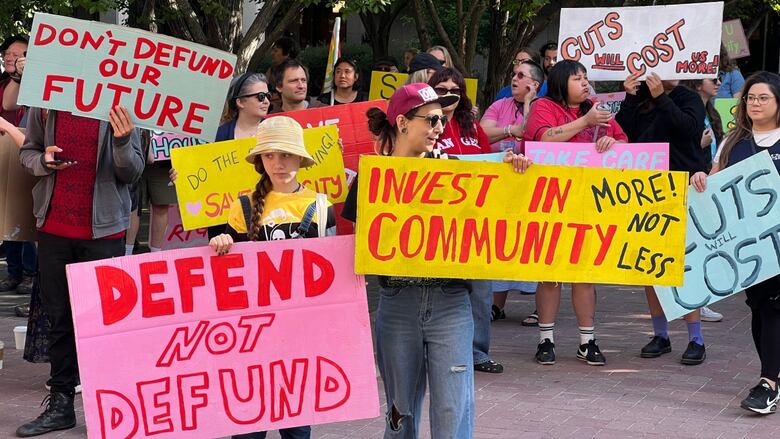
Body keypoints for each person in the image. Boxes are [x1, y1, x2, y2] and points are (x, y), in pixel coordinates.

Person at [342, 83, 531, 438]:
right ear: (401, 122)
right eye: (430, 120)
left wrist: (513, 175)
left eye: (441, 120)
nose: (439, 129)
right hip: (397, 305)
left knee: (453, 408)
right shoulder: (370, 179)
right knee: (401, 411)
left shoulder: (456, 171)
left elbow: (498, 218)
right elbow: (356, 247)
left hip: (450, 304)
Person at [16, 105, 143, 437]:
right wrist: (42, 160)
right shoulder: (46, 103)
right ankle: (60, 405)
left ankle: (110, 410)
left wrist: (122, 141)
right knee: (60, 319)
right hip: (54, 228)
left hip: (104, 234)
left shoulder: (125, 106)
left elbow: (132, 173)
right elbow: (27, 153)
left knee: (103, 324)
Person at [211, 116, 335, 439]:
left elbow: (333, 275)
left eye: (285, 154)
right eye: (269, 155)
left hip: (300, 337)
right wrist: (221, 243)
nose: (277, 163)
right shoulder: (242, 207)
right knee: (249, 429)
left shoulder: (322, 207)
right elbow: (227, 276)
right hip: (251, 335)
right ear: (260, 160)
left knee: (296, 428)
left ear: (300, 159)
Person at [524, 60, 628, 367]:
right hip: (549, 202)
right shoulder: (544, 107)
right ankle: (546, 340)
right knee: (550, 273)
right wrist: (585, 122)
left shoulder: (596, 108)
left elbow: (624, 141)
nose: (585, 84)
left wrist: (613, 140)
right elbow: (542, 139)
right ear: (559, 83)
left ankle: (587, 340)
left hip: (586, 203)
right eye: (577, 79)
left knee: (584, 273)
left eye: (586, 79)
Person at [690, 71, 780, 415]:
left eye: (763, 98)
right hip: (749, 249)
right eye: (750, 98)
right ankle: (771, 375)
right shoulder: (733, 140)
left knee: (774, 306)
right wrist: (701, 178)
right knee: (760, 307)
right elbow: (714, 182)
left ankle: (768, 382)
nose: (754, 104)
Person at [616, 72, 708, 365]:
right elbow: (624, 134)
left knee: (683, 265)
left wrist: (661, 98)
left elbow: (689, 130)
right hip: (647, 190)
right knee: (650, 264)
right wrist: (630, 97)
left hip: (682, 188)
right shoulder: (638, 99)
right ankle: (661, 335)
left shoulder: (688, 98)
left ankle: (696, 338)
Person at [427, 68, 504, 374]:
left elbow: (490, 163)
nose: (449, 95)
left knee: (481, 291)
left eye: (455, 90)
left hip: (475, 221)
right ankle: (435, 352)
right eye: (442, 89)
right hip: (438, 222)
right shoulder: (426, 125)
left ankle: (478, 352)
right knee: (439, 290)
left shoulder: (472, 125)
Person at [0, 35, 36, 296]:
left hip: (29, 151)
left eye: (17, 54)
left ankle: (30, 272)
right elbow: (7, 104)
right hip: (4, 152)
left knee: (26, 211)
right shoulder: (6, 82)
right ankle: (14, 272)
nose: (10, 58)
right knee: (7, 213)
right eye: (7, 54)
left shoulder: (39, 83)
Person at [481, 60, 544, 153]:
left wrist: (527, 102)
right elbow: (480, 136)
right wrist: (511, 130)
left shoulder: (544, 109)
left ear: (535, 85)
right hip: (493, 164)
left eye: (520, 75)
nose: (514, 78)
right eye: (514, 75)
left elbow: (530, 135)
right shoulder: (500, 104)